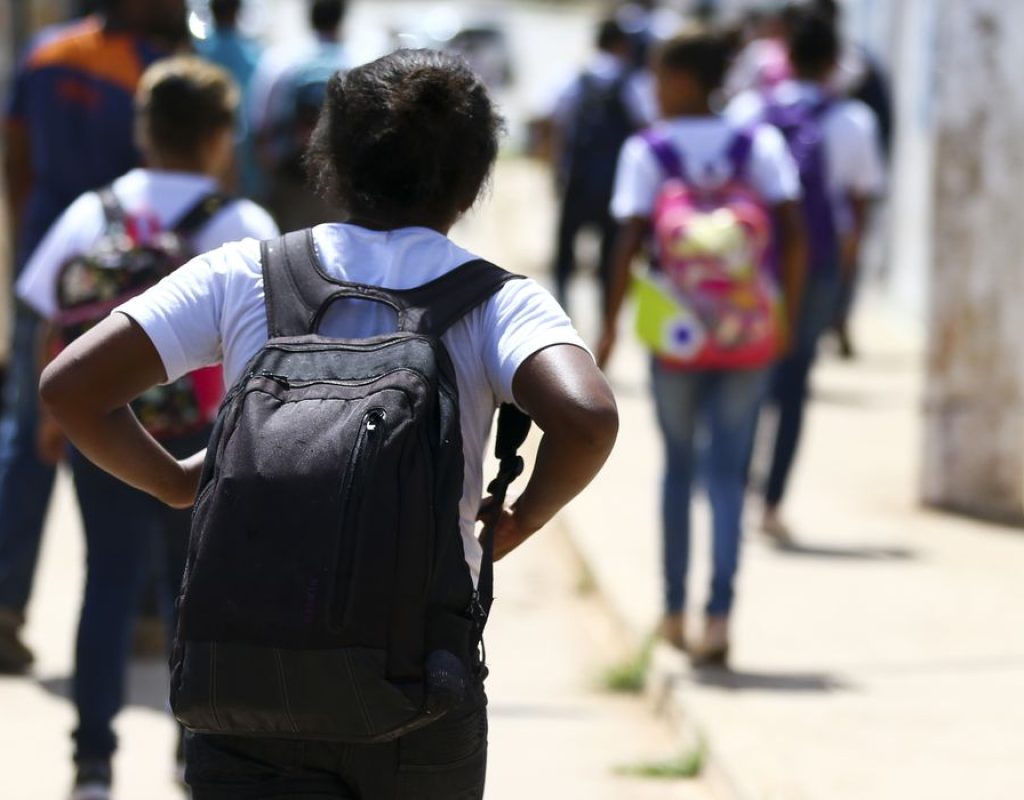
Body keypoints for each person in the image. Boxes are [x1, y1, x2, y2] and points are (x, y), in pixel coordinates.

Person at [39, 49, 618, 798]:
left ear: (327, 157)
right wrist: (522, 517)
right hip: (416, 694)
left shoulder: (243, 272)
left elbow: (72, 387)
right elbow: (588, 416)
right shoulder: (499, 303)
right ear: (475, 179)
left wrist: (180, 484)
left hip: (244, 690)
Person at [15, 56, 279, 800]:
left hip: (105, 433)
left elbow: (50, 318)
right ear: (221, 135)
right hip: (204, 442)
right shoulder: (240, 225)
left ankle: (92, 764)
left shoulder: (91, 211)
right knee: (195, 599)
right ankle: (193, 752)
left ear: (144, 132)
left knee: (106, 584)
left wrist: (50, 421)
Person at [599, 29, 805, 660]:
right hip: (746, 330)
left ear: (685, 80)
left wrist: (608, 326)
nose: (654, 91)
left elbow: (628, 244)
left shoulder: (648, 150)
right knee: (727, 472)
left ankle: (672, 611)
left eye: (661, 78)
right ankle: (720, 615)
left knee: (679, 467)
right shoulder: (758, 143)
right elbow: (793, 235)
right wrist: (787, 317)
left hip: (676, 334)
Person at [0, 0, 187, 674]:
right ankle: (140, 612)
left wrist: (35, 251)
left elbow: (16, 160)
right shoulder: (154, 67)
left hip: (48, 265)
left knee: (30, 433)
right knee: (140, 425)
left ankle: (4, 602)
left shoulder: (45, 53)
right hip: (127, 281)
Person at [728, 12, 884, 541]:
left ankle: (737, 486)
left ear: (785, 57)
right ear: (834, 64)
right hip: (817, 263)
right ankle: (772, 502)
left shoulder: (750, 110)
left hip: (750, 262)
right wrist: (844, 275)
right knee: (794, 381)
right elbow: (860, 207)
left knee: (747, 373)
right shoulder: (855, 120)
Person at [549, 17, 655, 316]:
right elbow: (647, 126)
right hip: (614, 183)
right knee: (610, 255)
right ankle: (607, 317)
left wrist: (557, 168)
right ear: (622, 44)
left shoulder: (574, 77)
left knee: (565, 251)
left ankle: (561, 312)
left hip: (577, 179)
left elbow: (554, 120)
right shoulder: (632, 81)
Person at [249, 0, 351, 231]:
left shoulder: (281, 60)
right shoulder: (355, 61)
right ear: (342, 19)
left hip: (289, 175)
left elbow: (259, 122)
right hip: (335, 180)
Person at [195, 0, 264, 198]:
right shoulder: (253, 54)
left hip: (204, 150)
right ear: (238, 12)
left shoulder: (198, 51)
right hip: (245, 157)